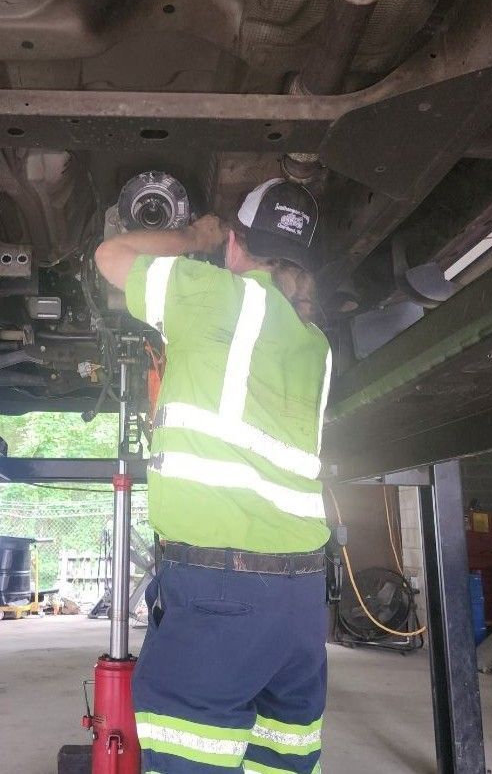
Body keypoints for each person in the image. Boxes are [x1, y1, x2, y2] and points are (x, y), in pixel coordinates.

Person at [95, 178, 332, 774]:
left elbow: (109, 257)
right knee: (283, 760)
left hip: (223, 591)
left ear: (234, 245)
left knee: (192, 757)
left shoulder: (213, 293)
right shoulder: (315, 344)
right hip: (300, 600)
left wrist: (189, 234)